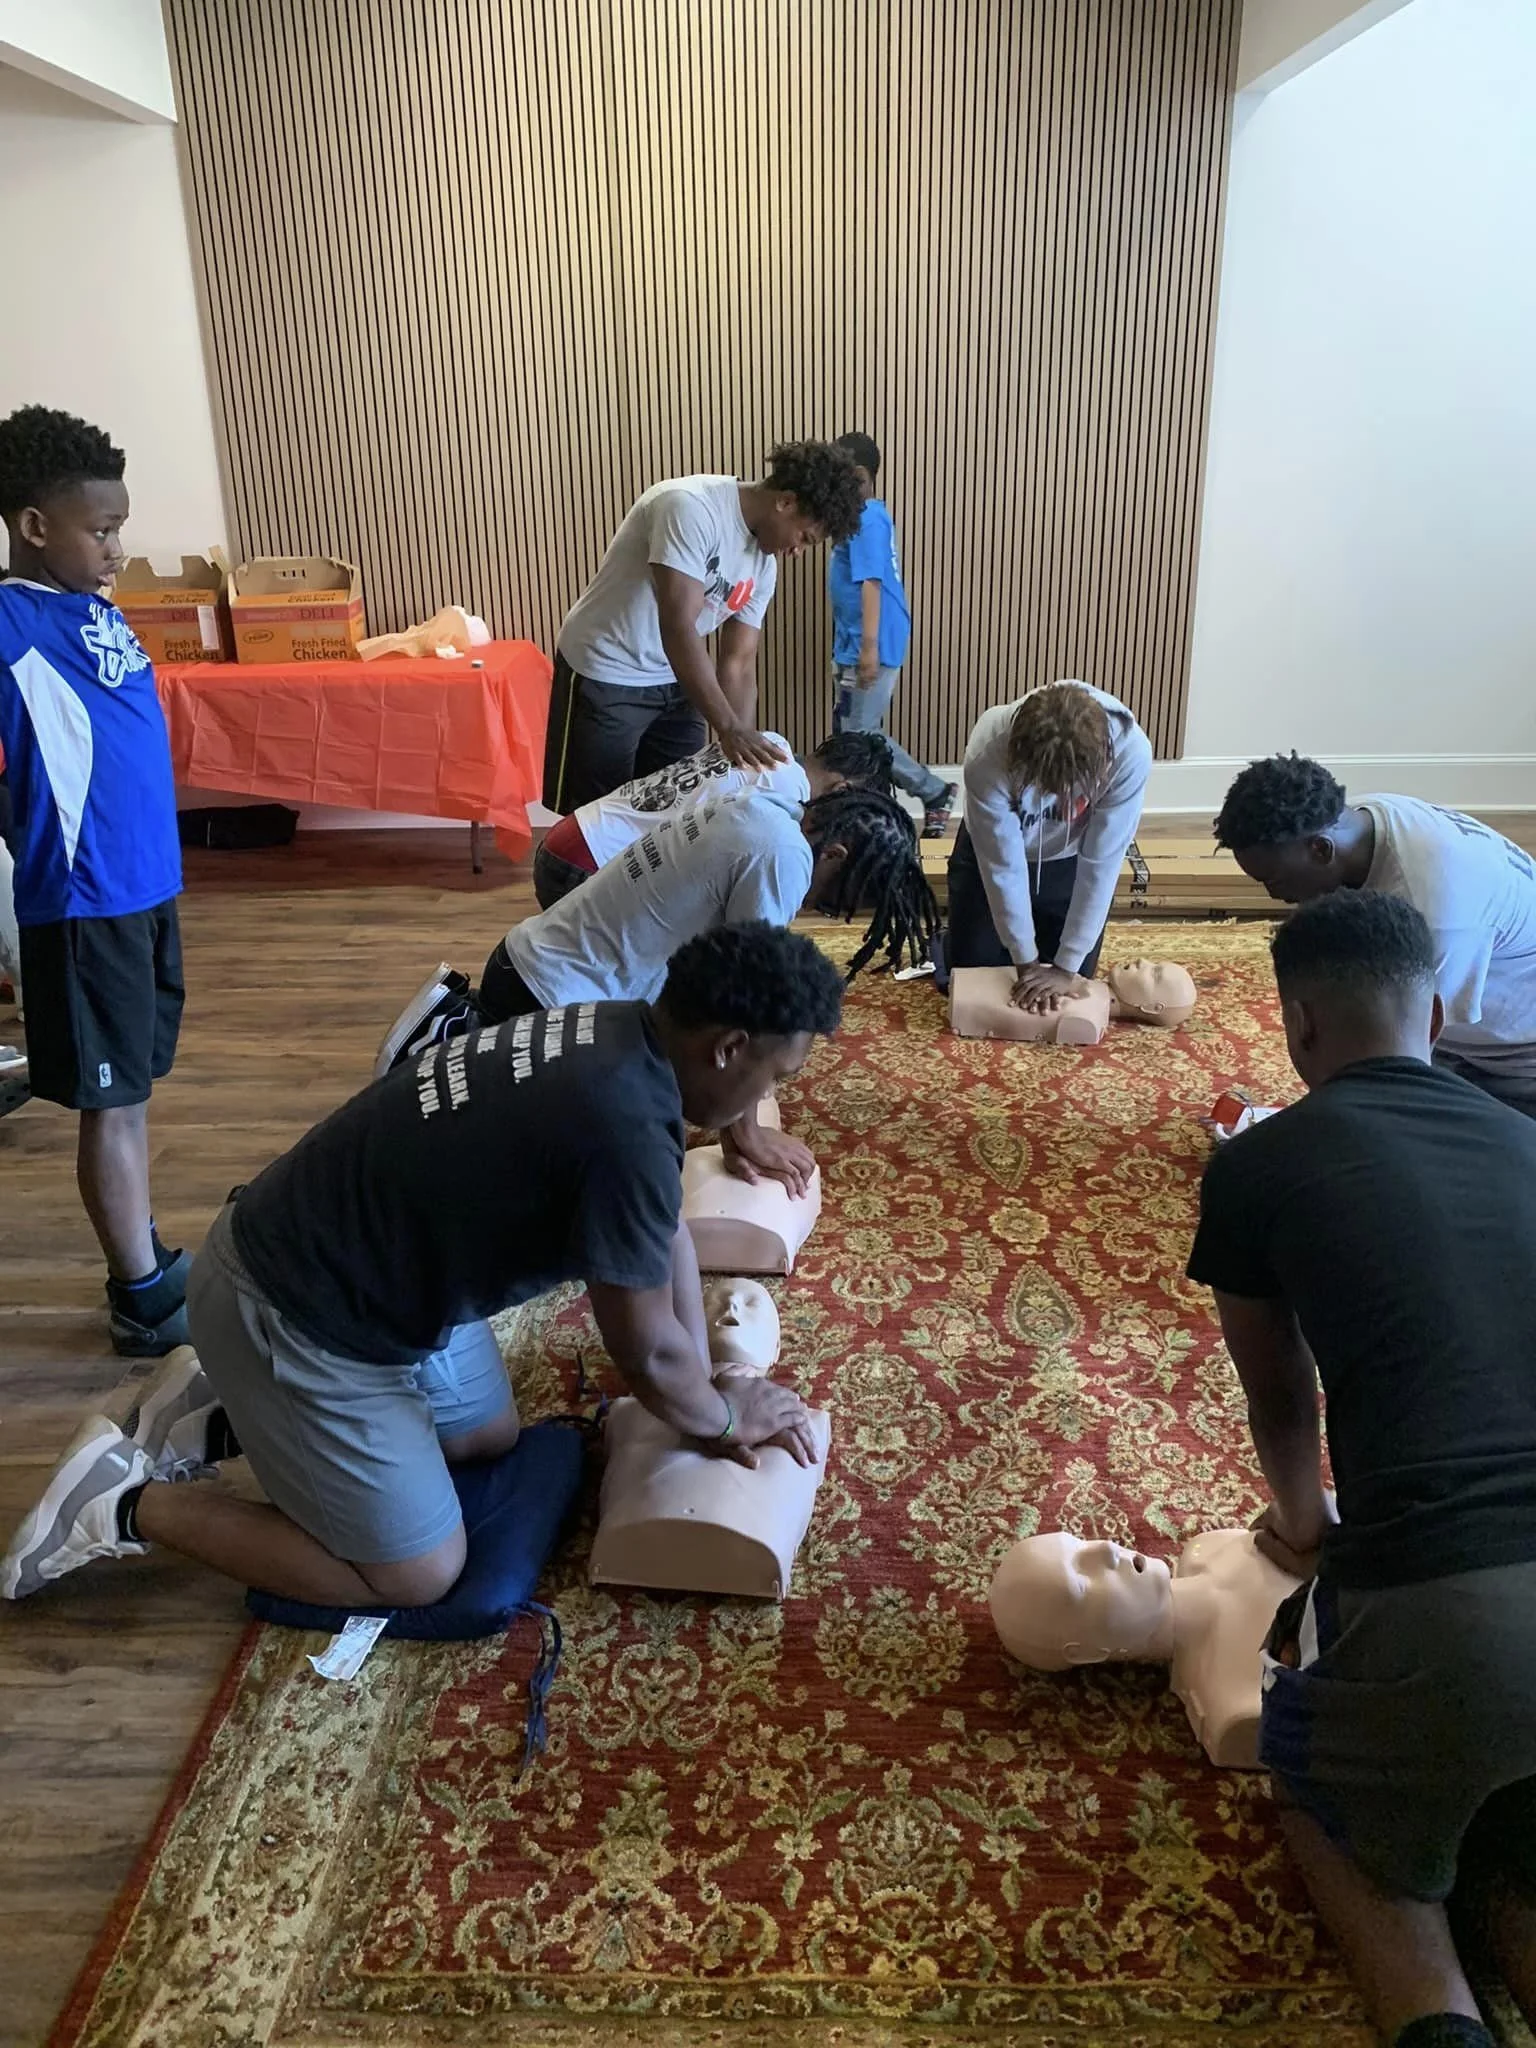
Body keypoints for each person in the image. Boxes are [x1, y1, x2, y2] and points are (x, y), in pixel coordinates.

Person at [1, 925, 839, 1608]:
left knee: (485, 1437)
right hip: (295, 1310)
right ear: (729, 1048)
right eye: (779, 1075)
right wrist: (720, 1420)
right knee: (415, 1575)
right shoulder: (624, 1125)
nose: (771, 1097)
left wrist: (712, 1382)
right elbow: (646, 1352)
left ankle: (218, 1413)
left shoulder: (625, 1036)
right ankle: (118, 1501)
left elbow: (665, 1241)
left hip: (326, 1263)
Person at [1187, 890, 1536, 2048]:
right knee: (1510, 1831)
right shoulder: (1528, 1137)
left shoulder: (1259, 1163)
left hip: (1456, 1609)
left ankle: (1439, 2020)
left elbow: (1281, 1392)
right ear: (1434, 1015)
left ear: (1295, 1024)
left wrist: (1304, 1526)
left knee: (1320, 1793)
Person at [377, 785, 938, 1191]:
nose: (821, 907)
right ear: (833, 854)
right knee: (626, 1174)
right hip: (551, 1002)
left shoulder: (766, 808)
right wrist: (745, 1135)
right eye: (836, 897)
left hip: (526, 968)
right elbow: (753, 997)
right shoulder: (783, 856)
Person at [0, 405, 188, 1357]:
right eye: (102, 530)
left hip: (144, 889)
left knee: (133, 1091)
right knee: (110, 1106)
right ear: (35, 526)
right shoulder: (9, 619)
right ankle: (139, 1297)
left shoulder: (89, 605)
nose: (118, 548)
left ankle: (141, 1245)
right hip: (84, 906)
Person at [543, 443, 865, 812]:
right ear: (786, 502)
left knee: (674, 810)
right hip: (607, 671)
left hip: (677, 680)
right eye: (804, 538)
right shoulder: (688, 507)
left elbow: (738, 664)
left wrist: (745, 754)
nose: (797, 552)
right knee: (594, 814)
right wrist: (729, 728)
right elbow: (678, 625)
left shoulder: (763, 567)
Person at [1215, 753, 1536, 1120]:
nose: (1273, 895)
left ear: (1320, 850)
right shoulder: (1364, 820)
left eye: (1274, 880)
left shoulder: (1436, 912)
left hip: (1518, 1068)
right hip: (1469, 1044)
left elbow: (1405, 1059)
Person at [945, 680, 1151, 1011]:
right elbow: (1003, 866)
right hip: (987, 859)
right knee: (969, 982)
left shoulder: (1131, 753)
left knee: (1076, 985)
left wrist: (1066, 967)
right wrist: (1026, 963)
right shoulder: (988, 751)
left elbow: (1102, 864)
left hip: (1070, 859)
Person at [533, 728, 894, 910]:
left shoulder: (770, 742)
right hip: (588, 864)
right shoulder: (785, 796)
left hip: (570, 835)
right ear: (842, 789)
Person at [826, 432, 954, 835]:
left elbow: (872, 583)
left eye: (855, 480)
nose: (847, 488)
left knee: (859, 734)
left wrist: (869, 648)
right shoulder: (857, 517)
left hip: (872, 640)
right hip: (855, 639)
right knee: (853, 730)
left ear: (867, 477)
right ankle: (868, 808)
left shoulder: (867, 519)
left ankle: (932, 792)